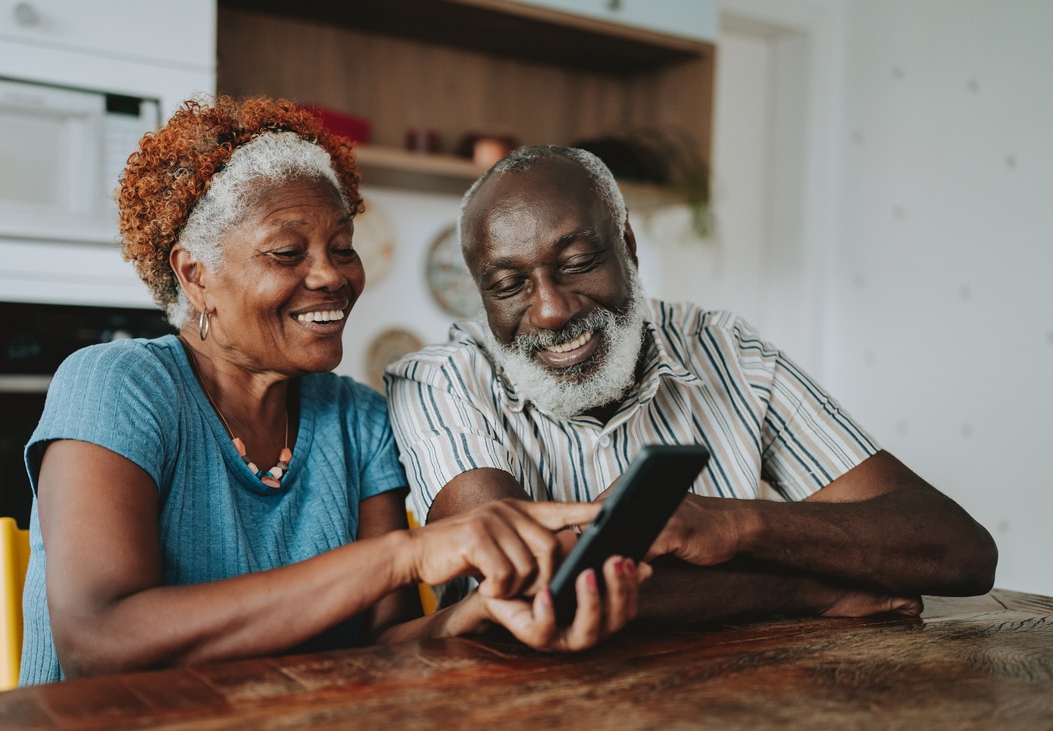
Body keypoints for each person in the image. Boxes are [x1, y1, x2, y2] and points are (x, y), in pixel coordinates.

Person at [18, 100, 645, 685]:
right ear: (195, 274)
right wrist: (407, 555)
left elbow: (382, 646)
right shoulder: (115, 385)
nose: (331, 276)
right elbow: (97, 640)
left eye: (343, 247)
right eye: (288, 252)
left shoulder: (359, 419)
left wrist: (476, 615)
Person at [386, 145, 997, 623]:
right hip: (511, 723)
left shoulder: (729, 352)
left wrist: (733, 525)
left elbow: (960, 550)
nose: (550, 310)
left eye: (576, 264)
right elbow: (527, 590)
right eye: (509, 285)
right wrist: (802, 587)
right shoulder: (438, 382)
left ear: (627, 246)